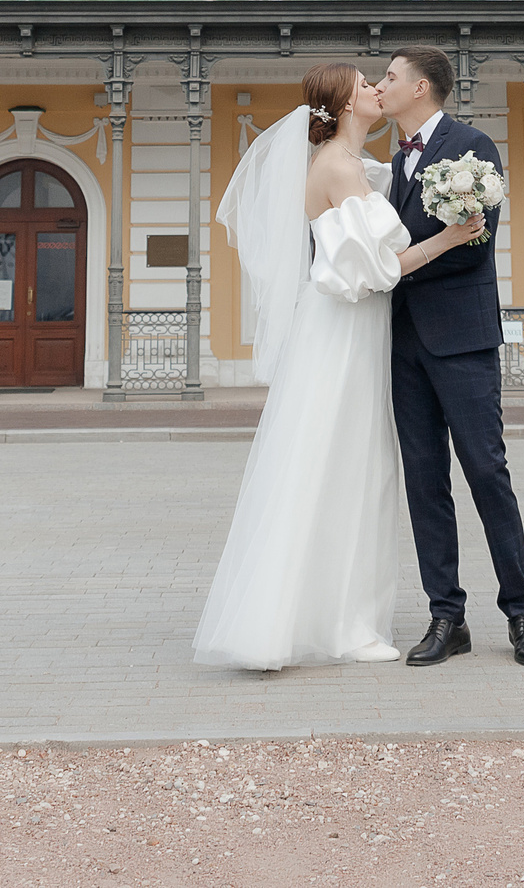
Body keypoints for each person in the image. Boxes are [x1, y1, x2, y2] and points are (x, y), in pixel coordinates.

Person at [193, 62, 481, 669]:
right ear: (349, 106)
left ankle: (337, 617)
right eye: (366, 85)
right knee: (340, 466)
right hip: (345, 333)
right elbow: (376, 268)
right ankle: (337, 624)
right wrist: (451, 238)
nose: (378, 89)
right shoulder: (337, 169)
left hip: (356, 331)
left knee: (347, 467)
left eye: (382, 80)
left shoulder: (352, 166)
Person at [378, 45, 524, 668]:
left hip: (463, 340)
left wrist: (391, 271)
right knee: (425, 484)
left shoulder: (472, 148)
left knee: (485, 471)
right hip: (403, 347)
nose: (381, 84)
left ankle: (521, 613)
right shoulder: (394, 162)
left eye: (389, 77)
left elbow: (474, 247)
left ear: (420, 88)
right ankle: (446, 616)